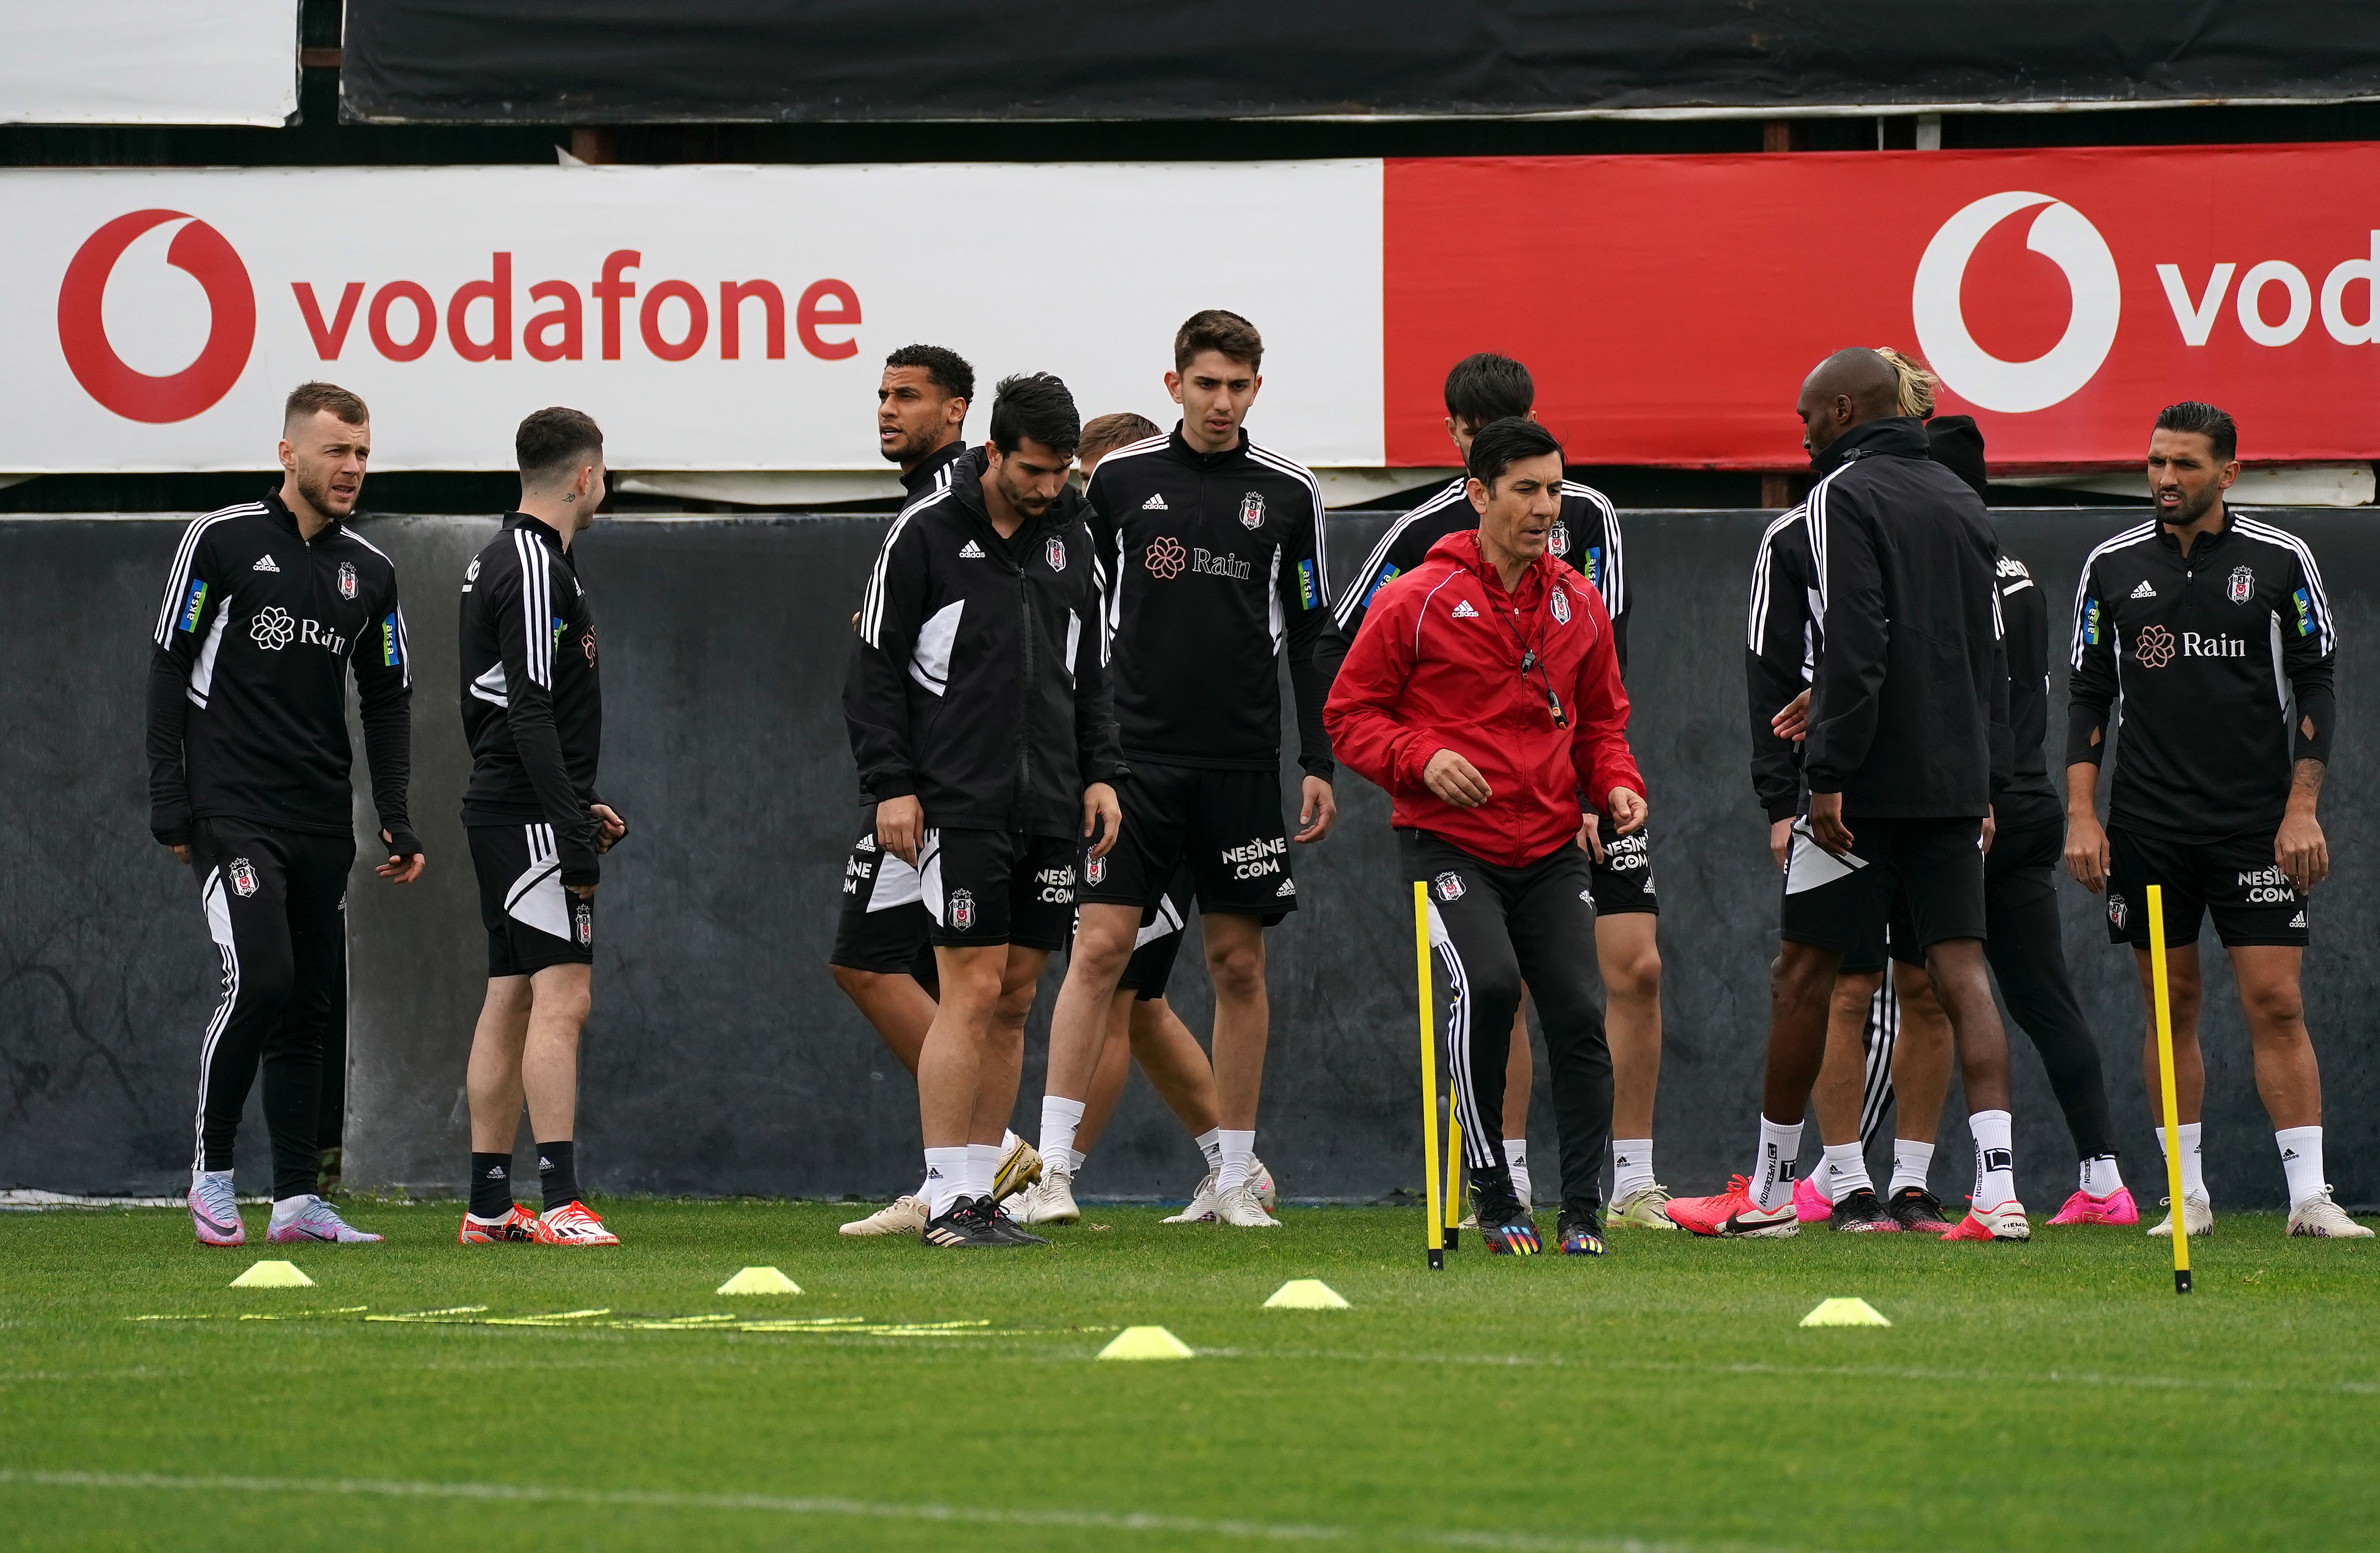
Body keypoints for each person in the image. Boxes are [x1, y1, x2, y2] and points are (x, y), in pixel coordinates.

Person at [1669, 347, 2028, 1242]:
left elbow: (1858, 637)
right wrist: (1984, 784)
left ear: (1840, 411)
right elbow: (1990, 660)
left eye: (1805, 418)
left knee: (1803, 975)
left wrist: (1821, 776)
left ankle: (1771, 1193)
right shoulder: (1960, 499)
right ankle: (1999, 1194)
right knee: (1959, 974)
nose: (1801, 433)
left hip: (1859, 789)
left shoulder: (1839, 496)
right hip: (1952, 785)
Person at [1337, 352, 1670, 1226]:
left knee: (1579, 1012)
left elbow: (1602, 722)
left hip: (1553, 845)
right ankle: (1491, 1184)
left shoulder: (1580, 602)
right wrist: (1419, 759)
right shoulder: (1415, 595)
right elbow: (1350, 715)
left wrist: (1618, 784)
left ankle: (1588, 1210)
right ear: (1478, 493)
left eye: (1554, 491)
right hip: (1450, 844)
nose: (1546, 510)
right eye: (1525, 491)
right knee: (1488, 987)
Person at [1034, 310, 1341, 1229]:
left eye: (1238, 386)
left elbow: (1314, 632)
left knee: (1239, 966)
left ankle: (1237, 1179)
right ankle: (1051, 1173)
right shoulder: (1119, 481)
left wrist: (1316, 758)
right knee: (1097, 953)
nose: (1222, 402)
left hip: (1243, 767)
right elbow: (1075, 618)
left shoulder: (1291, 494)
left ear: (1257, 388)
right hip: (1130, 765)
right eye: (1206, 384)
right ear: (1175, 387)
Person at [2065, 401, 2367, 1239]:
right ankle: (2186, 1197)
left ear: (2229, 474)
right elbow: (2089, 696)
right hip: (2148, 828)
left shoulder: (2281, 561)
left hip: (2253, 826)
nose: (2166, 478)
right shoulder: (2111, 565)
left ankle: (2310, 1197)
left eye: (2186, 465)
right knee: (2170, 1005)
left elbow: (2316, 686)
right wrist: (2082, 817)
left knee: (2275, 1002)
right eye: (2157, 461)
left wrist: (2301, 810)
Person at [846, 373, 1123, 1248]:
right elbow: (872, 672)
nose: (1051, 489)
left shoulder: (1075, 537)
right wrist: (891, 784)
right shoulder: (922, 533)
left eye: (1062, 473)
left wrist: (1102, 772)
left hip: (1049, 802)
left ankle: (983, 1199)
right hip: (955, 802)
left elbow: (1095, 673)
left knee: (1015, 997)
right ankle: (948, 1194)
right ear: (994, 453)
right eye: (1035, 471)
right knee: (967, 988)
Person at [149, 381, 421, 1248]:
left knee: (309, 1004)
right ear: (288, 454)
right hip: (232, 808)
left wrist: (397, 814)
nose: (352, 469)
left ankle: (299, 1200)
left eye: (364, 453)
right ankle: (212, 1175)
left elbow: (387, 696)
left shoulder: (369, 572)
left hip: (317, 821)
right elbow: (167, 670)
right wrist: (170, 798)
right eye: (337, 451)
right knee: (261, 978)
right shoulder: (220, 542)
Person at [1006, 411, 1272, 1227]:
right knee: (1131, 989)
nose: (1071, 498)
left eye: (1083, 482)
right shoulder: (1076, 563)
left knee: (1125, 987)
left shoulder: (1251, 507)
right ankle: (1235, 1166)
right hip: (1118, 775)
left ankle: (1060, 1172)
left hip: (1203, 774)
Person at [834, 344, 1043, 1237]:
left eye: (908, 397)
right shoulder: (924, 508)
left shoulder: (961, 503)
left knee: (980, 989)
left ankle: (963, 1172)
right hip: (922, 786)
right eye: (882, 394)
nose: (888, 409)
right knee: (873, 961)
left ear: (958, 415)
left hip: (951, 791)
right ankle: (975, 1161)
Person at [1745, 479, 1959, 1234]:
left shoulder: (1944, 519)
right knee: (1837, 984)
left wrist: (1984, 786)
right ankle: (1842, 1185)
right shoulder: (1793, 537)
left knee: (1929, 986)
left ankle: (1912, 1184)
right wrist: (1783, 802)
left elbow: (1968, 663)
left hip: (1932, 791)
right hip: (1835, 799)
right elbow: (1770, 676)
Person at [453, 408, 626, 1246]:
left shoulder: (530, 559)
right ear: (584, 476)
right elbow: (528, 711)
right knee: (564, 998)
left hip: (518, 806)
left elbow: (525, 713)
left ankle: (489, 1207)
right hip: (522, 814)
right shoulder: (530, 560)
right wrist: (567, 827)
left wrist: (575, 802)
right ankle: (560, 1200)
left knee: (513, 995)